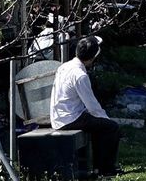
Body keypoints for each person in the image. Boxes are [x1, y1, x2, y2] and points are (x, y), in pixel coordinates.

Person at [50, 35, 121, 176]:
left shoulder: (65, 66)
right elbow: (92, 105)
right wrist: (106, 118)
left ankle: (97, 168)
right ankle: (106, 169)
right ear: (92, 57)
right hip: (70, 119)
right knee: (112, 128)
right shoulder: (80, 75)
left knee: (98, 126)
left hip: (60, 115)